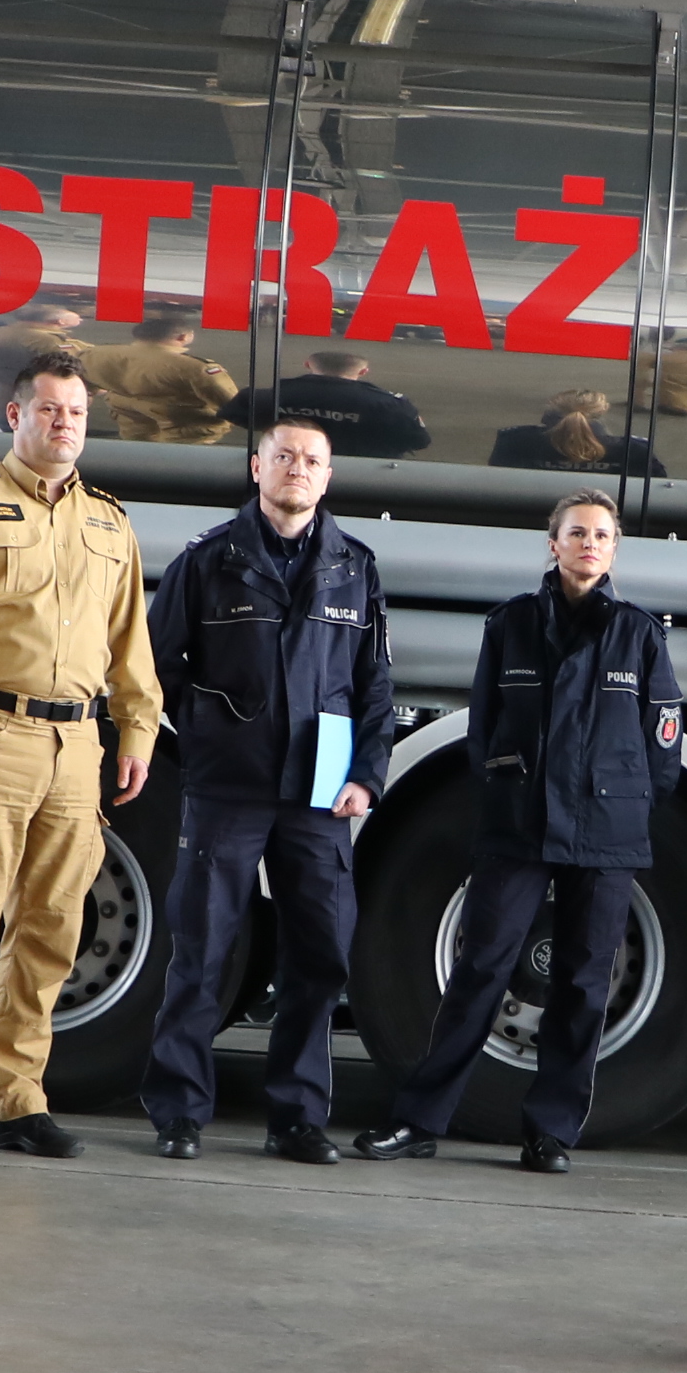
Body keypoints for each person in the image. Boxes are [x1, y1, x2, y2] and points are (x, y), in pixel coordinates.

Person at [354, 491, 684, 1173]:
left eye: (601, 535)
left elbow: (663, 746)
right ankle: (418, 1120)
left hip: (605, 832)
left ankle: (550, 1134)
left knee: (582, 985)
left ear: (614, 549)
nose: (589, 544)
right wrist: (511, 792)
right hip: (519, 826)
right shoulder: (511, 625)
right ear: (552, 543)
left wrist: (621, 804)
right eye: (576, 533)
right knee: (480, 970)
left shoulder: (639, 634)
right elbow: (484, 729)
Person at [0, 351, 160, 1161]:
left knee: (53, 929)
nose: (64, 424)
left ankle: (17, 1097)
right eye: (49, 409)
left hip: (77, 746)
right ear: (15, 416)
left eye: (76, 412)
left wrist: (137, 731)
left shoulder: (109, 521)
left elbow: (131, 640)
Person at [137, 417, 395, 1163]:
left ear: (328, 476)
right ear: (258, 467)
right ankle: (179, 1112)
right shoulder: (209, 559)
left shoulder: (355, 567)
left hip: (319, 794)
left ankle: (297, 1119)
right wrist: (209, 733)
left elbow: (375, 685)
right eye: (284, 457)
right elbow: (156, 665)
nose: (298, 469)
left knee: (320, 956)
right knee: (202, 950)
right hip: (229, 789)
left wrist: (366, 775)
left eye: (312, 460)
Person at [78, 302, 239, 445]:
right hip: (185, 432)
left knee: (136, 455)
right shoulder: (195, 367)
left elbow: (82, 389)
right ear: (183, 337)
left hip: (131, 424)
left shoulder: (93, 354)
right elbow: (234, 406)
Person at [227, 348, 430, 459]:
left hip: (288, 475)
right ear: (363, 372)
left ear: (308, 365)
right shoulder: (391, 405)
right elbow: (419, 441)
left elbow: (235, 416)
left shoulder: (269, 396)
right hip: (365, 480)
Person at [488, 387, 666, 480]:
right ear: (601, 412)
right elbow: (659, 492)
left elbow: (495, 482)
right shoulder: (635, 450)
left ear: (550, 413)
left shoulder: (513, 441)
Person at [0, 300, 86, 423]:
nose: (80, 319)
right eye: (75, 315)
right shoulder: (50, 342)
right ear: (61, 321)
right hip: (38, 401)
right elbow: (74, 369)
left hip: (1, 393)